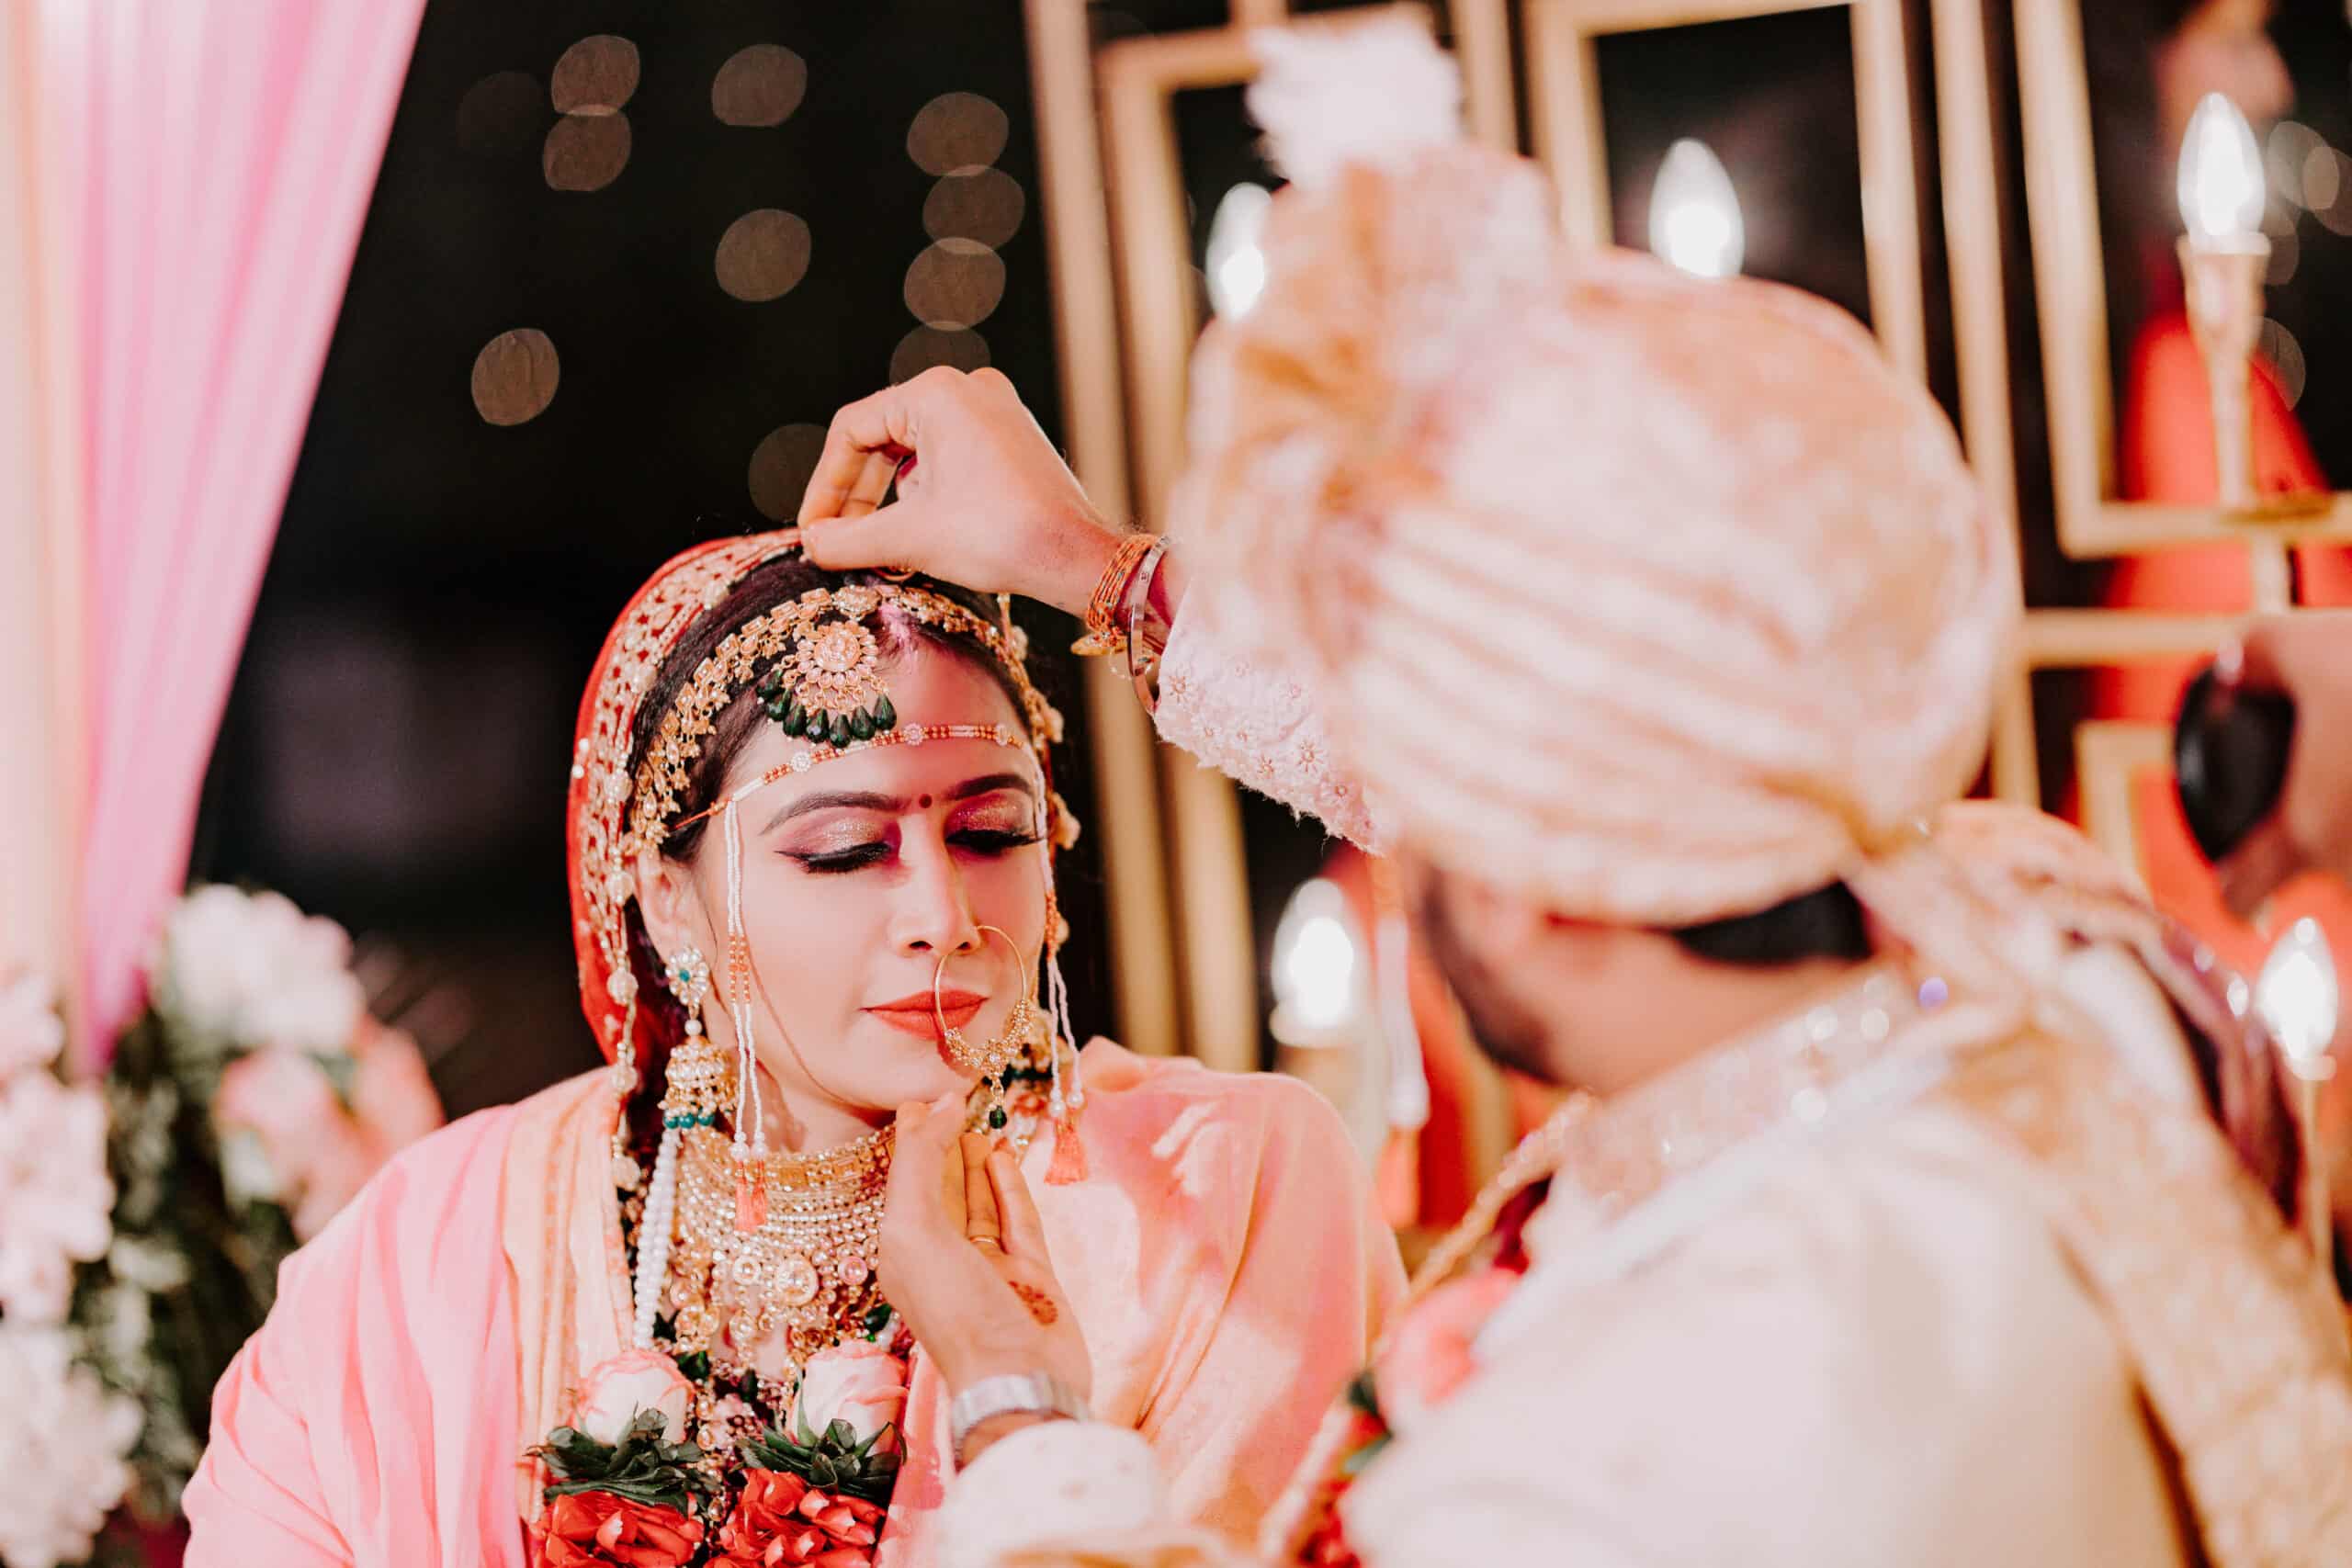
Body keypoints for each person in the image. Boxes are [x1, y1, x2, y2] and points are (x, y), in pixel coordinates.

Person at [796, 20, 2352, 1565]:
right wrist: (1097, 567)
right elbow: (1620, 742)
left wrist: (1008, 1397)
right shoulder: (2081, 974)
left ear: (1521, 880)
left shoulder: (1573, 1469)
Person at [181, 542, 1402, 1565]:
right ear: (669, 904)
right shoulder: (418, 1262)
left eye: (991, 832)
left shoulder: (1213, 1197)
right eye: (844, 851)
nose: (942, 915)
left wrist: (1001, 1379)